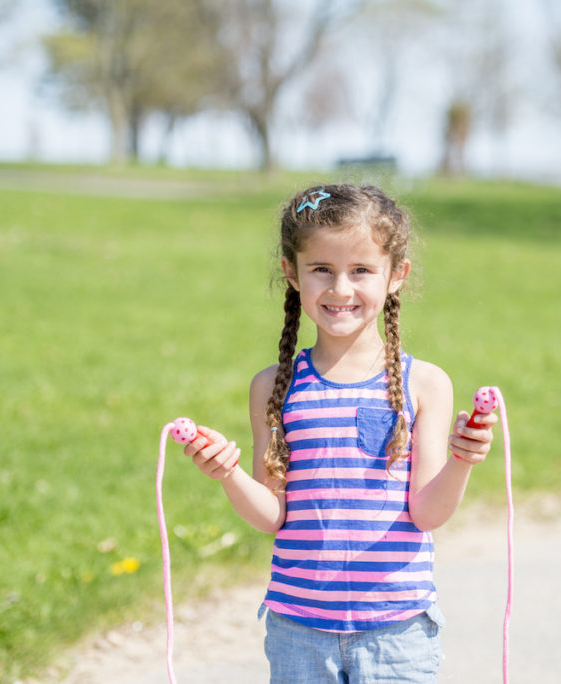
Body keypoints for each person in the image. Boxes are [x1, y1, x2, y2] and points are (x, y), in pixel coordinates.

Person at [182, 183, 497, 683]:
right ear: (292, 272)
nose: (341, 289)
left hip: (397, 633)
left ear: (397, 276)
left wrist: (463, 459)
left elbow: (427, 512)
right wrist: (228, 473)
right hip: (299, 632)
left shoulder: (426, 384)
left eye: (362, 271)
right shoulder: (272, 387)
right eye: (322, 270)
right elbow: (271, 515)